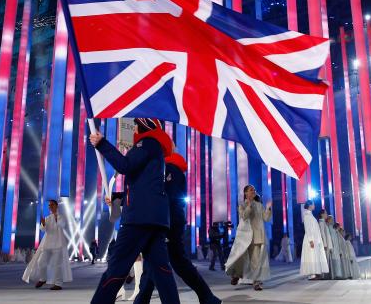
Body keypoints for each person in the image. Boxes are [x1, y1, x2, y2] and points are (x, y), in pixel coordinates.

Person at [89, 117, 180, 304]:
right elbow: (143, 188)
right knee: (161, 271)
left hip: (139, 220)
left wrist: (102, 144)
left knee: (116, 267)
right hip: (154, 219)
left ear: (143, 127)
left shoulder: (147, 142)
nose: (133, 131)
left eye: (136, 126)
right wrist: (116, 199)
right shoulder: (156, 150)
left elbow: (125, 166)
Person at [134, 151, 221, 304]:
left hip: (168, 223)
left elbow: (168, 196)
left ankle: (208, 297)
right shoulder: (162, 168)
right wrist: (118, 199)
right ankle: (207, 298)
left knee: (175, 262)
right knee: (154, 263)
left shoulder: (171, 169)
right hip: (161, 222)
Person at [226, 185, 272, 291]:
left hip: (257, 235)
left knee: (256, 260)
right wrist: (249, 205)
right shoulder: (241, 205)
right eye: (251, 190)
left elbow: (266, 218)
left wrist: (268, 208)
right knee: (240, 257)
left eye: (254, 190)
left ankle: (256, 282)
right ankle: (236, 275)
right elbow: (244, 216)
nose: (253, 191)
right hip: (245, 236)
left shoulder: (259, 205)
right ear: (245, 193)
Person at [23, 200, 72, 290]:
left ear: (56, 206)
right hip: (48, 243)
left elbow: (62, 225)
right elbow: (43, 229)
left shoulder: (61, 216)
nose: (50, 207)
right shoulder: (48, 218)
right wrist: (43, 223)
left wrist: (56, 217)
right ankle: (43, 279)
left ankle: (58, 284)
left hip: (58, 243)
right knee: (41, 262)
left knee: (57, 264)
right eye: (49, 205)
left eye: (52, 205)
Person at [299, 202, 328, 280]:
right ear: (310, 205)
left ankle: (316, 272)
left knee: (315, 256)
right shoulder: (307, 215)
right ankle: (312, 274)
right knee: (311, 256)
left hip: (315, 239)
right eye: (313, 204)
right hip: (310, 239)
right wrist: (311, 240)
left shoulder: (310, 215)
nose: (314, 206)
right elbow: (308, 228)